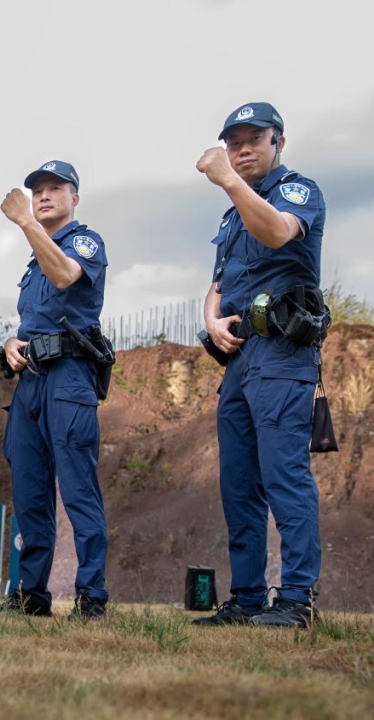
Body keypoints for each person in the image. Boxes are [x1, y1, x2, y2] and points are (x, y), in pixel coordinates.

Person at [193, 103, 327, 628]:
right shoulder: (232, 215)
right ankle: (246, 598)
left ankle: (296, 598)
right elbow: (219, 283)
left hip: (283, 352)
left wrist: (227, 180)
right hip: (242, 357)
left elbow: (275, 234)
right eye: (233, 142)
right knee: (239, 483)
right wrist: (211, 318)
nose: (242, 149)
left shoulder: (297, 191)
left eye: (255, 139)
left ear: (279, 143)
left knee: (284, 475)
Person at [0, 161, 110, 620]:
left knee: (79, 491)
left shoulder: (84, 242)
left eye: (55, 189)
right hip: (31, 384)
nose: (43, 196)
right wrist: (8, 344)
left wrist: (24, 221)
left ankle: (92, 595)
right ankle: (32, 593)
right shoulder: (33, 259)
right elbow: (31, 322)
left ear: (74, 198)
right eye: (37, 190)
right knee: (29, 492)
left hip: (69, 380)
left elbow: (65, 276)